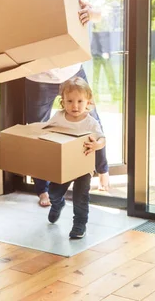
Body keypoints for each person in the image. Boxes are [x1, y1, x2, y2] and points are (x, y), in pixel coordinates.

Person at [23, 0, 110, 206]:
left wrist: (89, 14)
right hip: (39, 77)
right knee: (39, 133)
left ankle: (103, 174)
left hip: (72, 71)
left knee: (93, 119)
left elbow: (97, 13)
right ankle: (43, 190)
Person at [46, 77, 106, 239]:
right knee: (53, 192)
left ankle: (79, 224)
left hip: (83, 168)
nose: (75, 106)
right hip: (62, 165)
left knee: (81, 198)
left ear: (88, 102)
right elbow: (46, 132)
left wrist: (96, 145)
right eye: (70, 101)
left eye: (80, 101)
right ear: (62, 102)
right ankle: (58, 204)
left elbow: (102, 139)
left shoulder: (90, 122)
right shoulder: (58, 117)